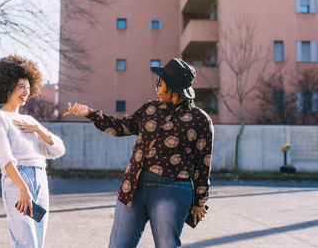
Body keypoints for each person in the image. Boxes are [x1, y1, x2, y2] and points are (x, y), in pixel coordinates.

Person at [64, 58, 213, 248]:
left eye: (161, 81)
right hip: (133, 187)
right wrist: (90, 113)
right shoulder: (150, 108)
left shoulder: (200, 120)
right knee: (118, 245)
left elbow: (203, 163)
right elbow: (122, 127)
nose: (157, 86)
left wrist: (200, 201)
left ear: (173, 86)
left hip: (173, 190)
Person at [0, 55, 65, 248]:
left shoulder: (29, 121)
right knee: (26, 243)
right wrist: (23, 188)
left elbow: (58, 150)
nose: (26, 92)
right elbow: (5, 158)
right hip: (18, 178)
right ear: (7, 86)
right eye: (22, 86)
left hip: (40, 177)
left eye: (29, 88)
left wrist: (38, 130)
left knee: (38, 242)